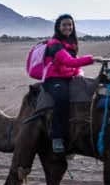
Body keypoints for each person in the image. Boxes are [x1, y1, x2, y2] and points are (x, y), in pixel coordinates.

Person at [42, 14, 98, 153]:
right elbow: (69, 62)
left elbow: (76, 66)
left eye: (70, 25)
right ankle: (57, 137)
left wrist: (79, 75)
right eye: (64, 25)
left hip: (68, 78)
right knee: (62, 99)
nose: (68, 27)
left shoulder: (71, 44)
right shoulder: (54, 44)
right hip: (53, 79)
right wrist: (93, 59)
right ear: (58, 27)